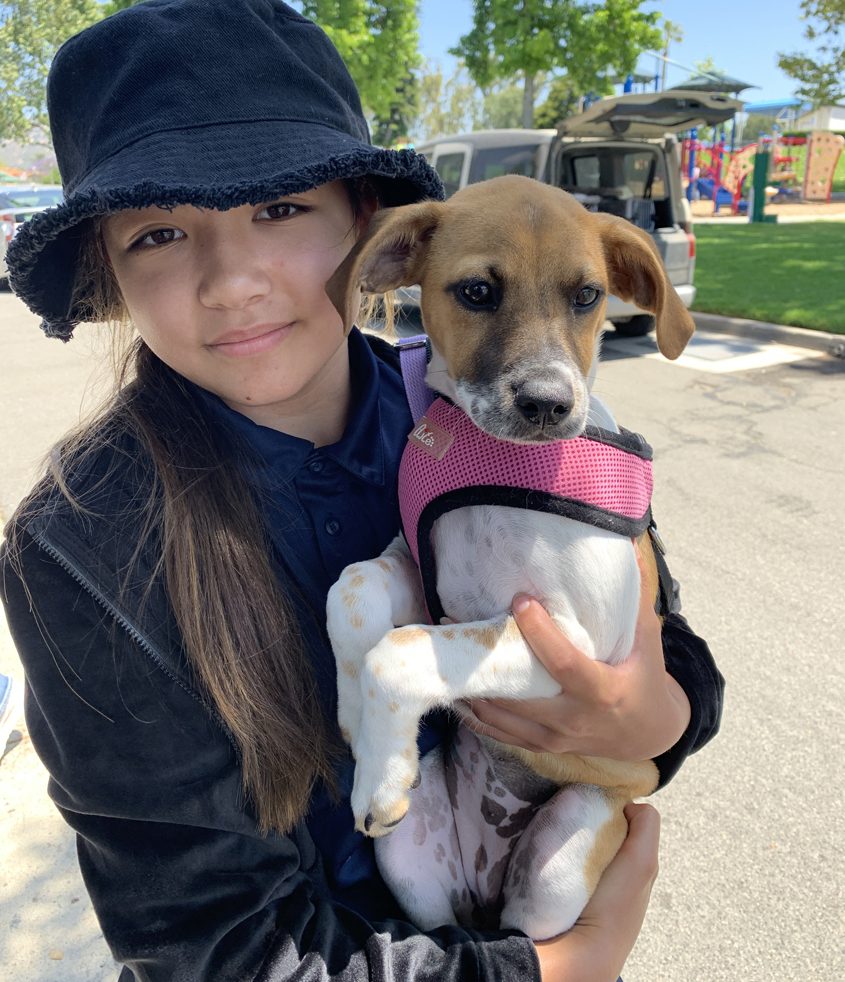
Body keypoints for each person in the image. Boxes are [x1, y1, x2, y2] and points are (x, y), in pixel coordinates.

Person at [0, 2, 724, 980]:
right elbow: (218, 950)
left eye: (279, 208)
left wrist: (655, 717)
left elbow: (659, 636)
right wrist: (555, 970)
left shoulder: (483, 412)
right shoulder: (79, 550)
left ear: (365, 224)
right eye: (162, 231)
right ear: (110, 270)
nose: (231, 280)